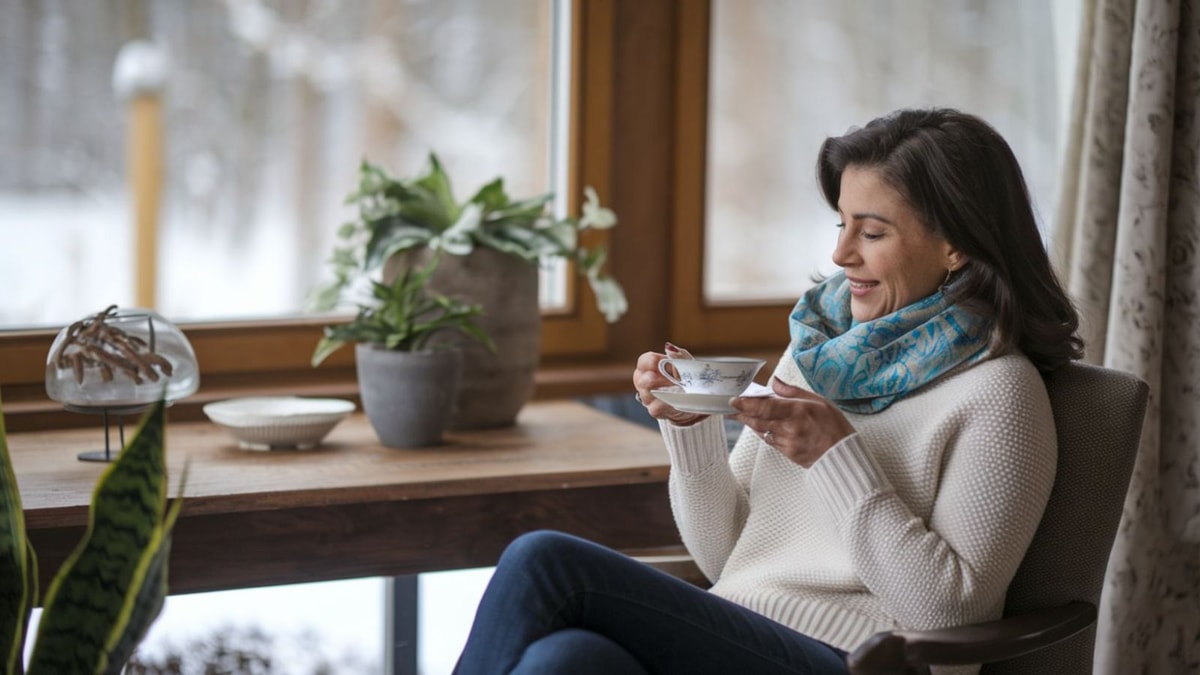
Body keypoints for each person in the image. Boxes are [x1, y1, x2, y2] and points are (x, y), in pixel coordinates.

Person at [453, 107, 1083, 674]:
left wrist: (836, 457)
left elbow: (948, 614)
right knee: (566, 661)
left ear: (955, 246)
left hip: (863, 659)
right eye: (841, 224)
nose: (840, 254)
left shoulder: (1001, 395)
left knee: (544, 562)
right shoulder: (821, 357)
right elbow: (726, 558)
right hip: (745, 634)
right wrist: (691, 426)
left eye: (871, 232)